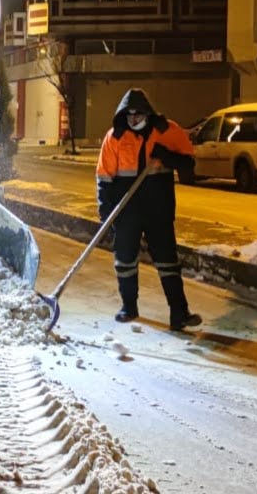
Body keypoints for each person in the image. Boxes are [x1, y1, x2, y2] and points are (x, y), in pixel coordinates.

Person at [95, 88, 202, 331]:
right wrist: (106, 212)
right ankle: (128, 307)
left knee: (167, 262)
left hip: (158, 209)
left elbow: (188, 166)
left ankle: (179, 313)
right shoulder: (115, 137)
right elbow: (104, 177)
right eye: (129, 115)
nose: (133, 119)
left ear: (148, 113)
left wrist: (167, 156)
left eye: (138, 114)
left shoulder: (167, 132)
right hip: (127, 211)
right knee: (124, 261)